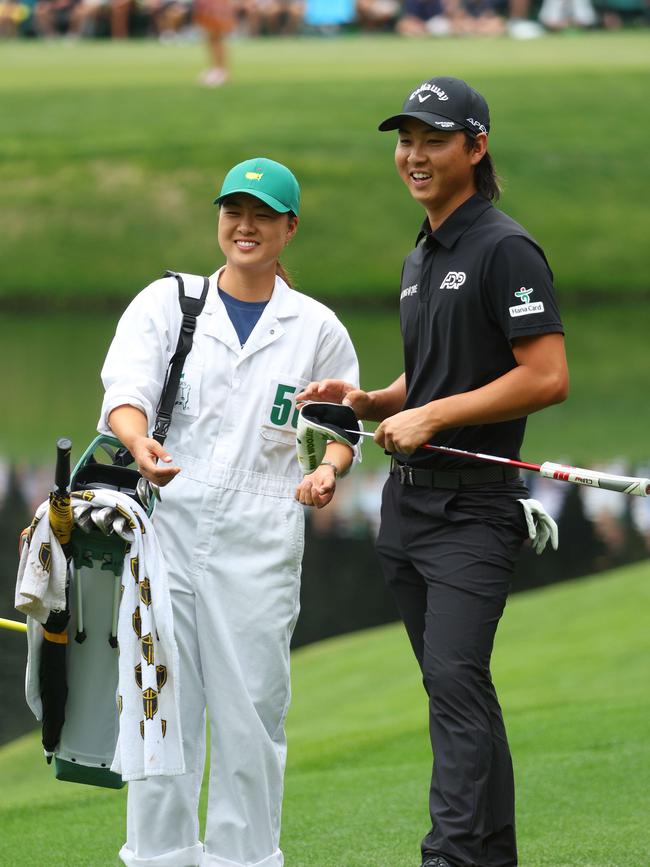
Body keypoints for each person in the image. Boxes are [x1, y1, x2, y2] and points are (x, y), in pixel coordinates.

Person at [298, 76, 569, 867]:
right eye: (405, 139)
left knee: (455, 684)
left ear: (475, 148)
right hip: (408, 511)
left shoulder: (503, 247)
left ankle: (447, 857)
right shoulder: (425, 251)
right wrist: (377, 397)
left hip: (473, 514)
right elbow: (442, 372)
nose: (413, 155)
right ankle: (489, 856)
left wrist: (433, 416)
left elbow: (546, 375)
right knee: (458, 693)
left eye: (433, 140)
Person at [98, 157, 359, 867]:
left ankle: (244, 860)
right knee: (160, 711)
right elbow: (126, 386)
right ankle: (158, 857)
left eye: (263, 215)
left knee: (251, 718)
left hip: (263, 532)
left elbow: (339, 431)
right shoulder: (169, 302)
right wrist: (135, 437)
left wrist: (326, 476)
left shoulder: (317, 328)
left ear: (289, 227)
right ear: (219, 217)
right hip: (167, 523)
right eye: (234, 211)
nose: (246, 227)